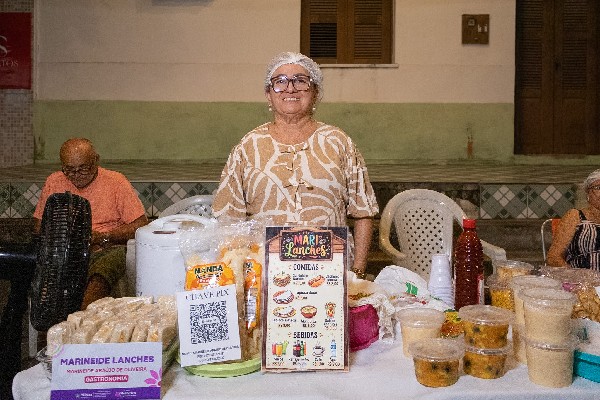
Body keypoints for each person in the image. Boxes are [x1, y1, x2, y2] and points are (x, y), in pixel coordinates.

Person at [212, 52, 379, 278]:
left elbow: (363, 212)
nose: (290, 89)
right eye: (280, 82)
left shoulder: (339, 142)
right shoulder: (248, 146)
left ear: (315, 92)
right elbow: (229, 221)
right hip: (266, 275)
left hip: (331, 274)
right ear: (268, 94)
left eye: (300, 81)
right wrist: (240, 278)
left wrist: (357, 271)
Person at [33, 138, 149, 309]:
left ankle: (83, 315)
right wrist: (63, 236)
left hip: (105, 248)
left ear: (96, 161)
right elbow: (38, 227)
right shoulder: (54, 181)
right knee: (48, 273)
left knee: (106, 266)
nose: (76, 175)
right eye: (69, 170)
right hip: (64, 252)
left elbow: (140, 225)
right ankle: (51, 321)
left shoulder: (116, 182)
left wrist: (103, 236)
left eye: (83, 168)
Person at [547, 169, 600, 271]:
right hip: (580, 277)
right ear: (588, 193)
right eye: (598, 187)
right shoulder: (575, 216)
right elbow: (553, 257)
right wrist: (574, 275)